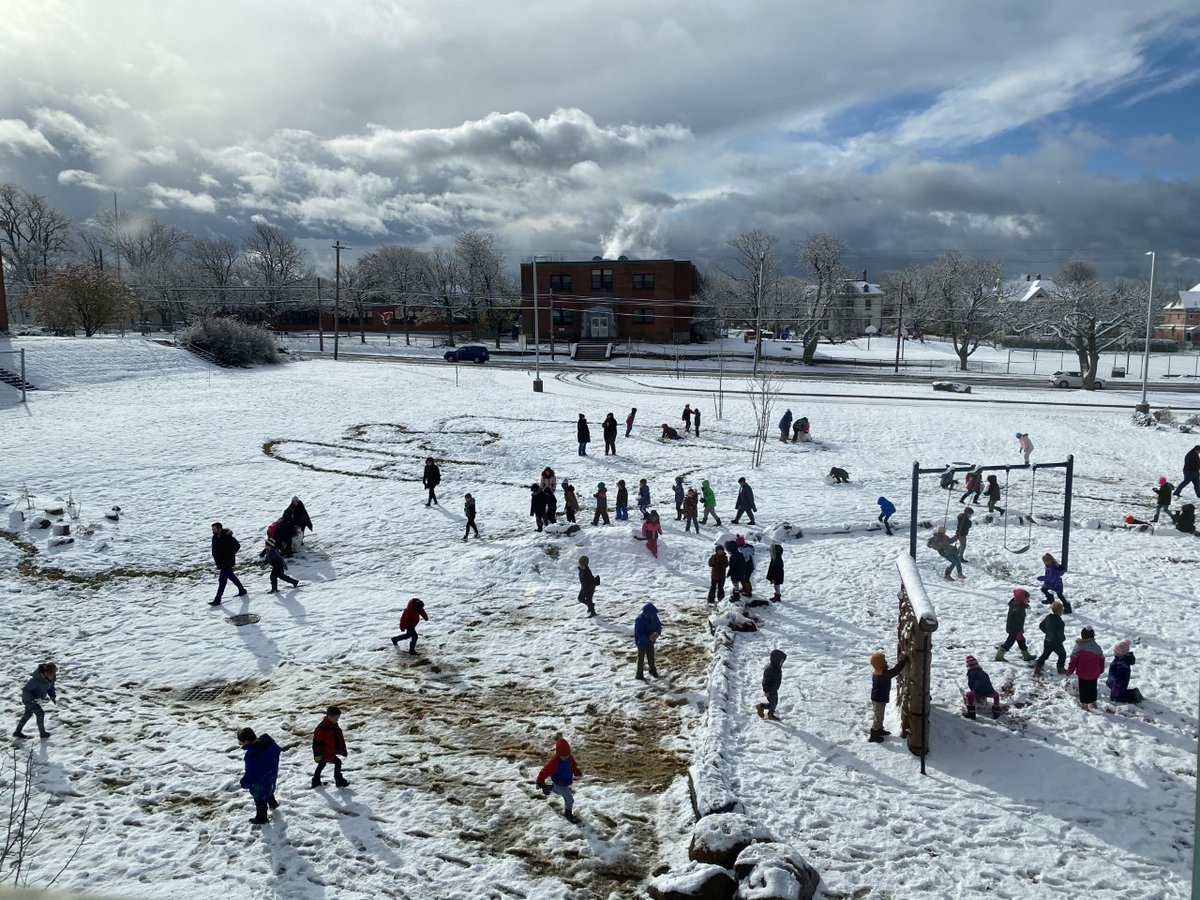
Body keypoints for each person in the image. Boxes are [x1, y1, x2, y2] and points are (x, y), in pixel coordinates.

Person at [237, 727, 281, 826]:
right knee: (269, 789)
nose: (241, 745)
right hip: (271, 775)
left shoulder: (253, 756)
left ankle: (262, 818)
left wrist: (244, 782)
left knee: (260, 798)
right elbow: (278, 750)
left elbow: (252, 773)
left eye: (241, 743)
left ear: (246, 742)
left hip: (260, 782)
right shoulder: (269, 743)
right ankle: (273, 803)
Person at [535, 733, 582, 823]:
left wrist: (577, 772)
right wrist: (539, 781)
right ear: (558, 753)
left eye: (567, 755)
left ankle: (548, 787)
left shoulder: (569, 758)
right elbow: (544, 771)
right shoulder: (554, 762)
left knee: (557, 791)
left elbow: (572, 766)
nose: (565, 757)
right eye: (563, 756)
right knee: (569, 800)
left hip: (565, 780)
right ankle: (568, 814)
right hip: (559, 782)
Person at [867, 652, 907, 742]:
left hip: (878, 698)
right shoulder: (883, 673)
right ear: (880, 663)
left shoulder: (878, 672)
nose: (886, 662)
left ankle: (879, 730)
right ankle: (874, 734)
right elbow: (895, 671)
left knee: (879, 716)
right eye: (883, 660)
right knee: (878, 717)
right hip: (878, 699)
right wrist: (902, 661)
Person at [1066, 626, 1105, 710]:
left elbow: (1073, 660)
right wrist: (1101, 670)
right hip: (1094, 673)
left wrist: (1070, 670)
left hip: (1083, 673)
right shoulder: (1097, 647)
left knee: (1084, 689)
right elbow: (1102, 659)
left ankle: (1084, 704)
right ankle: (1093, 702)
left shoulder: (1079, 646)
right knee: (1092, 687)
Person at [14, 663, 56, 739]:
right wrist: (32, 700)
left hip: (36, 700)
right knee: (40, 713)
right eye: (51, 674)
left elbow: (51, 688)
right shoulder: (35, 680)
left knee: (27, 715)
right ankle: (42, 734)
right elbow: (26, 690)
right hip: (29, 700)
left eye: (53, 674)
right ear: (45, 673)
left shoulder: (51, 679)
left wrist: (52, 696)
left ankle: (17, 732)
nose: (52, 676)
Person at [311, 706, 350, 788]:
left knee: (322, 764)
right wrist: (317, 753)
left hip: (328, 751)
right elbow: (317, 743)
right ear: (329, 716)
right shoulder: (322, 728)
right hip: (325, 752)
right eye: (336, 718)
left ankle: (315, 781)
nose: (337, 720)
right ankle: (339, 780)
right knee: (337, 762)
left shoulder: (333, 725)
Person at [210, 522, 247, 606]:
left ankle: (217, 600)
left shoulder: (227, 537)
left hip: (227, 562)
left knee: (222, 581)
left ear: (219, 529)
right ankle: (242, 590)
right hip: (220, 563)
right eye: (212, 530)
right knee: (231, 577)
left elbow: (237, 546)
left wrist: (230, 554)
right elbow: (214, 549)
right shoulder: (214, 538)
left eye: (214, 530)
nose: (213, 532)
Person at [995, 588, 1035, 661]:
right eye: (1027, 599)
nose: (1028, 601)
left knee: (1022, 641)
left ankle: (1026, 655)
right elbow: (1017, 621)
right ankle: (999, 656)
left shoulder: (1015, 604)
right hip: (1015, 629)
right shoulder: (1018, 609)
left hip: (1015, 629)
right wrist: (1018, 630)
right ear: (1021, 599)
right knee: (1009, 642)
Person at [1032, 601, 1067, 675]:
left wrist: (1048, 633)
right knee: (1062, 654)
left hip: (1048, 640)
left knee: (1045, 654)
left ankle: (1038, 667)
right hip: (1057, 643)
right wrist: (1062, 639)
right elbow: (1060, 634)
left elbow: (1041, 626)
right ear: (1059, 611)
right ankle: (1060, 668)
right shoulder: (1060, 622)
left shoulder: (1048, 617)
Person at [964, 655, 1002, 720]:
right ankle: (996, 711)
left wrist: (975, 692)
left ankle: (971, 713)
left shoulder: (971, 674)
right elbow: (988, 682)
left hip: (978, 691)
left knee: (969, 695)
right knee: (996, 695)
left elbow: (971, 684)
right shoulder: (984, 673)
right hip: (990, 690)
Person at [1106, 639, 1143, 703]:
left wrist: (1116, 687)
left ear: (1120, 653)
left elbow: (1119, 678)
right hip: (1114, 681)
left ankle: (1133, 694)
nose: (1114, 651)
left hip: (1119, 685)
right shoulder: (1120, 658)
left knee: (1115, 698)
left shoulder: (1122, 665)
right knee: (1108, 684)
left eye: (1115, 651)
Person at [756, 649, 787, 721]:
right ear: (776, 661)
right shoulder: (770, 670)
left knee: (774, 703)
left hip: (774, 689)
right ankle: (769, 713)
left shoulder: (777, 668)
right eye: (781, 661)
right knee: (773, 705)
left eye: (783, 661)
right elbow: (765, 681)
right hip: (770, 691)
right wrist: (766, 691)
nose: (782, 663)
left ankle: (762, 707)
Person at [634, 603, 662, 680]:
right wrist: (648, 637)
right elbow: (639, 633)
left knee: (651, 657)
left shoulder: (654, 617)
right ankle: (639, 674)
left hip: (650, 641)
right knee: (641, 659)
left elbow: (658, 625)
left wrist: (657, 632)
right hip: (641, 642)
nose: (653, 615)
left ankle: (652, 670)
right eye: (652, 614)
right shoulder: (640, 619)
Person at [725, 537, 746, 602]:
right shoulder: (740, 554)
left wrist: (729, 573)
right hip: (741, 572)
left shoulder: (732, 557)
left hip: (735, 573)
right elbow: (744, 563)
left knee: (735, 584)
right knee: (740, 582)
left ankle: (736, 596)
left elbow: (732, 567)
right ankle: (741, 592)